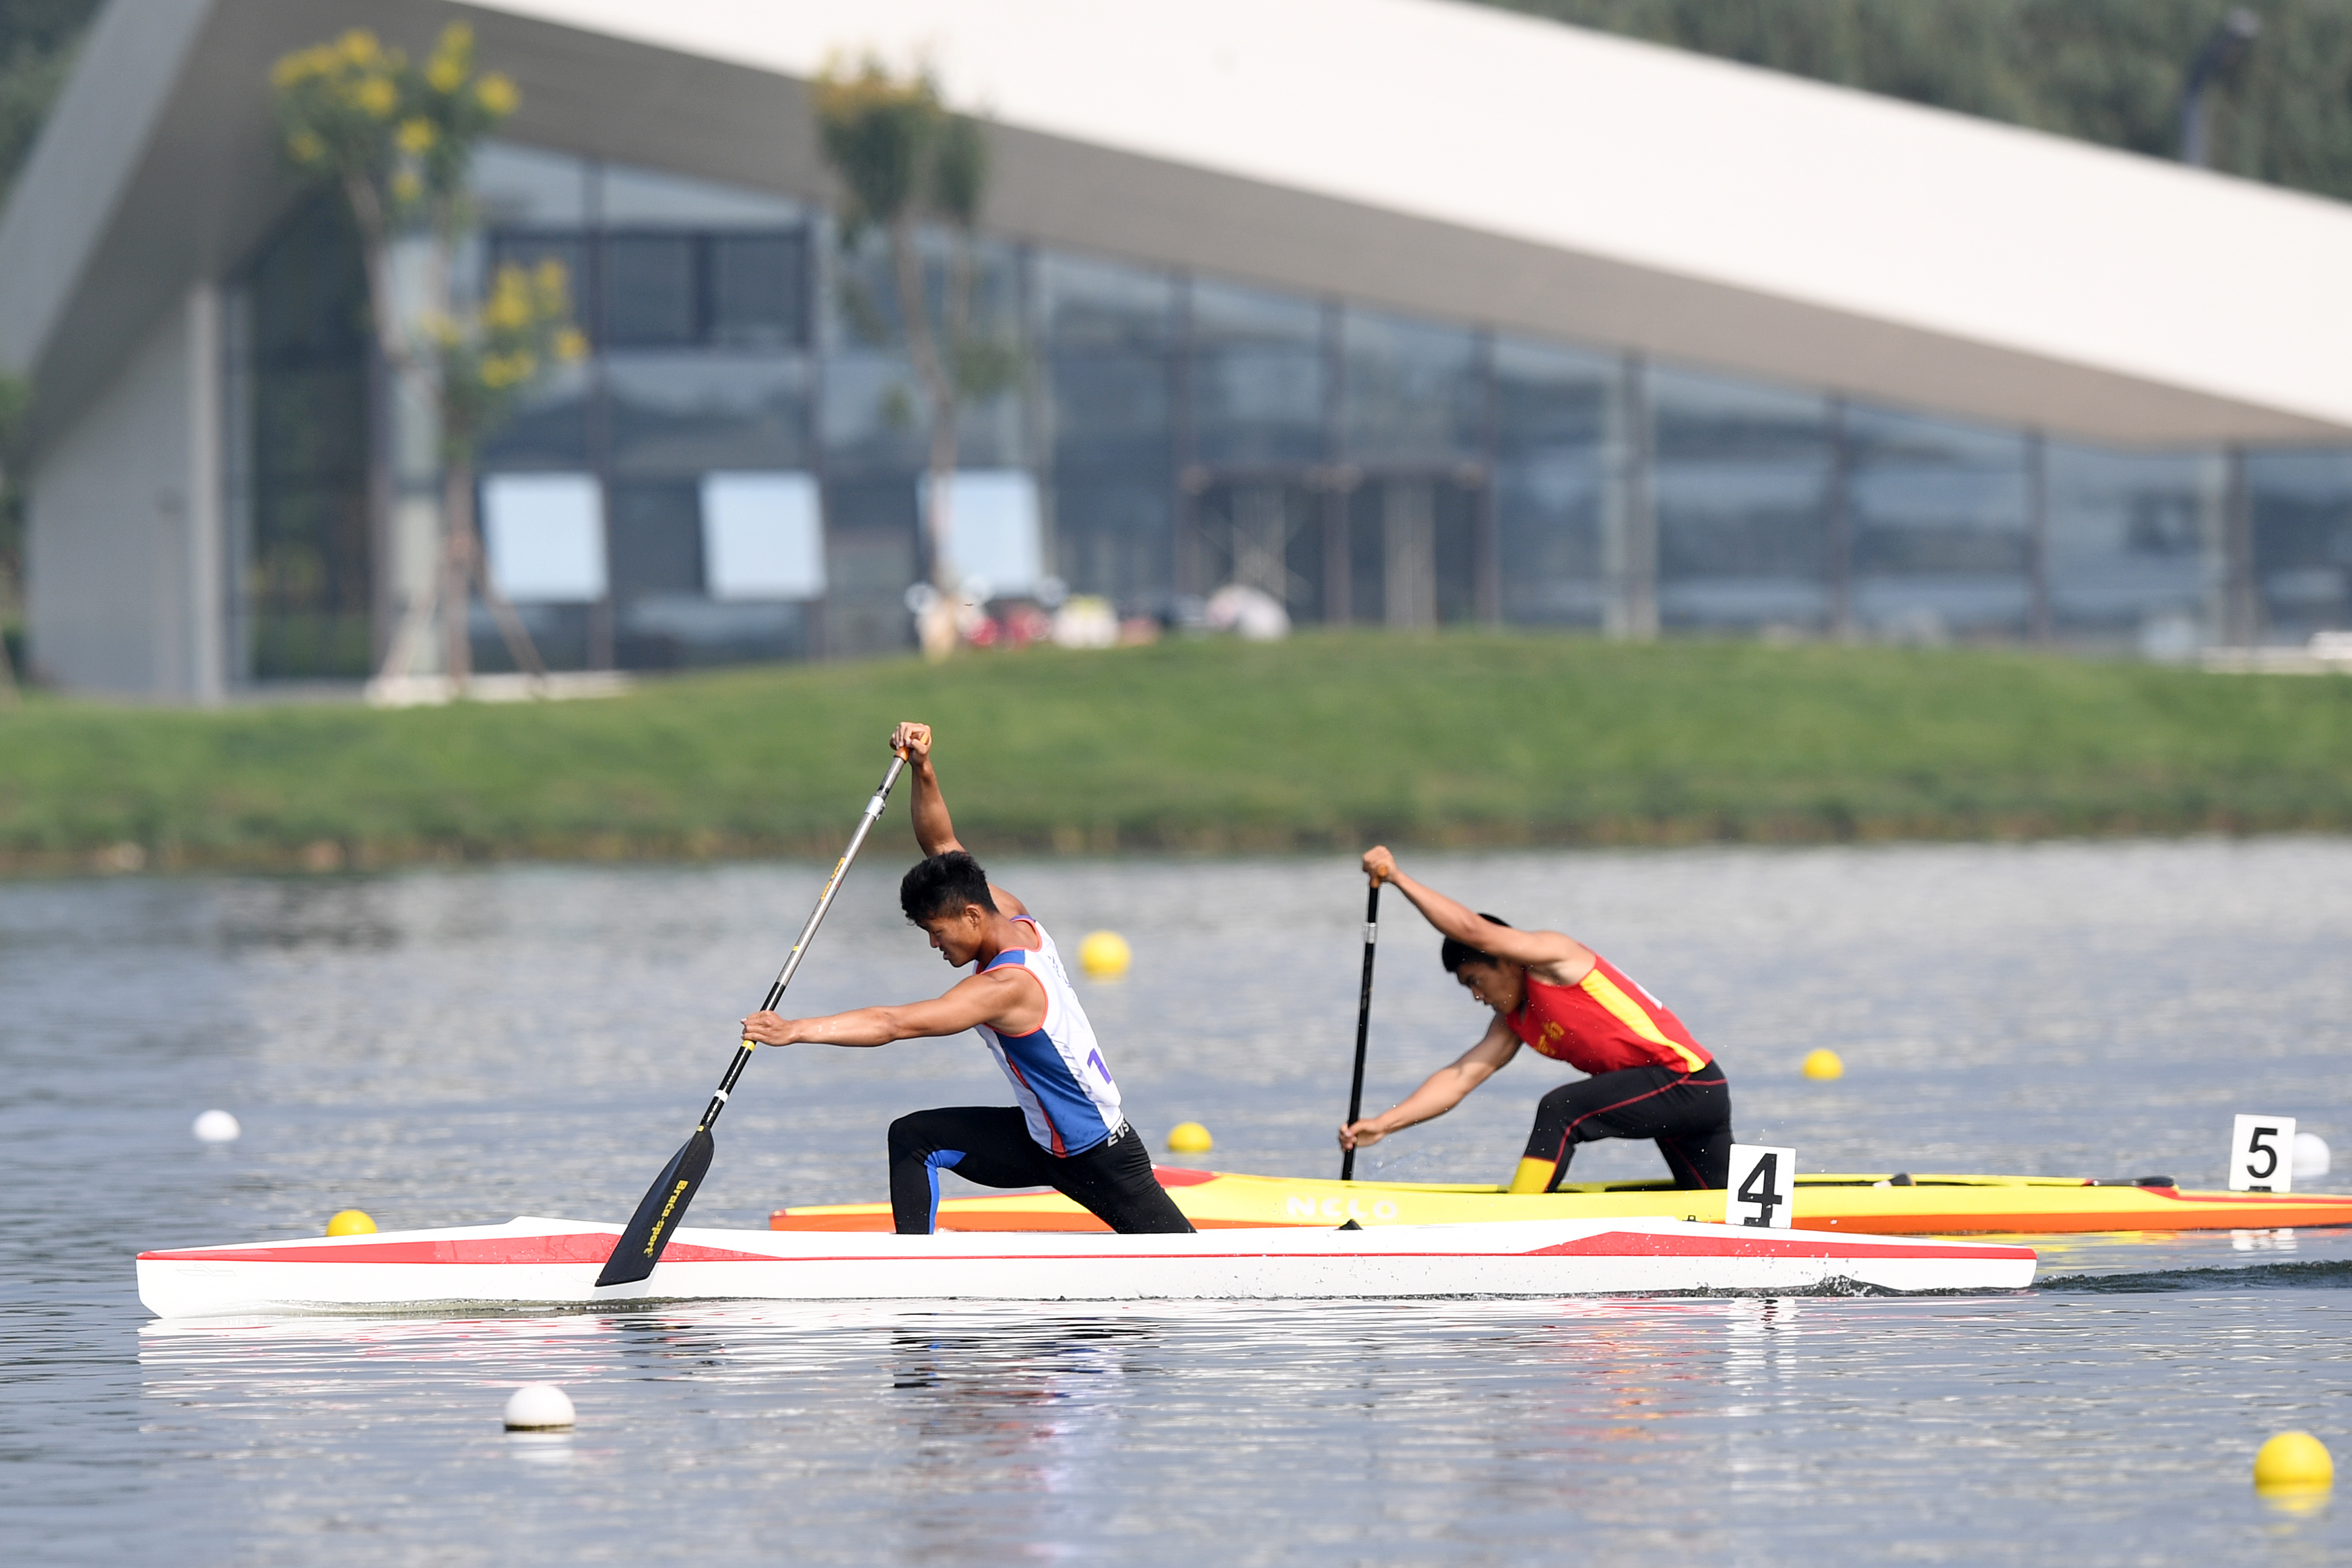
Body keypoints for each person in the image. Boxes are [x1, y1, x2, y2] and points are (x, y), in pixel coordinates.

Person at [741, 721, 1194, 1237]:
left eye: (937, 933)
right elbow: (942, 843)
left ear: (972, 917)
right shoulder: (1011, 914)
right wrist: (923, 768)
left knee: (1191, 1270)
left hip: (1098, 1155)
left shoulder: (1005, 988)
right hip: (1039, 1139)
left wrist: (795, 1030)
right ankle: (915, 1267)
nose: (935, 945)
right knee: (913, 1137)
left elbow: (894, 1023)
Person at [1336, 846, 1734, 1193]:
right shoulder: (1514, 1022)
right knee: (1724, 1209)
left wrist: (1399, 879)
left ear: (1506, 960)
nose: (1477, 995)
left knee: (1561, 1108)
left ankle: (1518, 1217)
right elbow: (1460, 1079)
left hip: (1686, 1081)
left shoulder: (1555, 959)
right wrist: (1385, 1124)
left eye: (1476, 981)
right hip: (1681, 1095)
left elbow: (1474, 931)